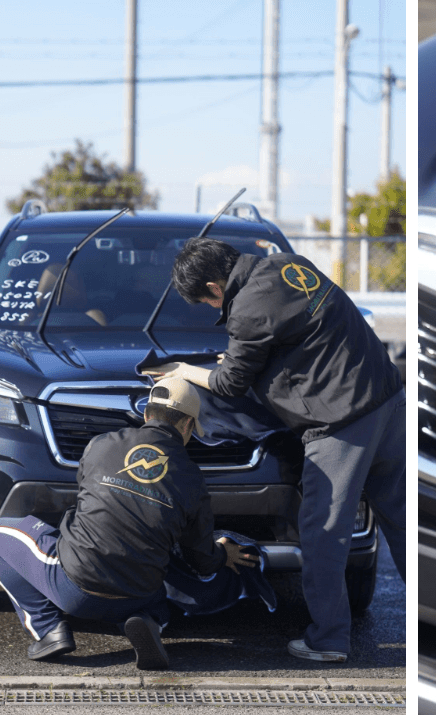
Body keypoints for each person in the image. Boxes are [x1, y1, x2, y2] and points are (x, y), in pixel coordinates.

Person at [162, 237, 406, 663]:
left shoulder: (248, 308)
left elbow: (230, 384)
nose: (210, 308)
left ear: (215, 288)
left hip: (341, 423)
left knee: (322, 535)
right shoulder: (290, 264)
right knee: (403, 522)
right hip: (386, 401)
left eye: (205, 301)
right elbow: (302, 337)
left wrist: (186, 371)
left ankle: (328, 640)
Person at [0, 381, 259, 669]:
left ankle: (48, 628)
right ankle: (150, 621)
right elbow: (200, 560)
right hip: (139, 594)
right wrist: (223, 553)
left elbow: (87, 504)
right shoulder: (193, 479)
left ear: (147, 415)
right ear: (188, 424)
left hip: (75, 589)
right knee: (154, 575)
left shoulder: (101, 445)